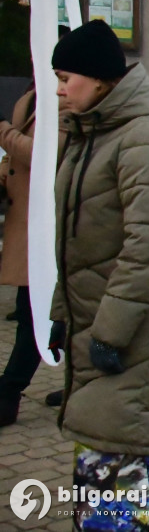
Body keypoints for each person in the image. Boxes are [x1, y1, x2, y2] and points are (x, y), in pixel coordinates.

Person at [47, 20, 149, 528]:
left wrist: (108, 334)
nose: (60, 89)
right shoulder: (91, 129)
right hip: (98, 329)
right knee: (106, 477)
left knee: (116, 483)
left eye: (67, 77)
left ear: (100, 78)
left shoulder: (145, 133)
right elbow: (75, 235)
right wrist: (63, 314)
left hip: (132, 340)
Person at [0, 87, 68, 427]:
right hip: (25, 219)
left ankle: (8, 392)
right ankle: (78, 385)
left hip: (52, 224)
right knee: (49, 314)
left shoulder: (68, 95)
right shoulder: (27, 97)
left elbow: (43, 152)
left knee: (35, 315)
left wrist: (3, 132)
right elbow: (13, 158)